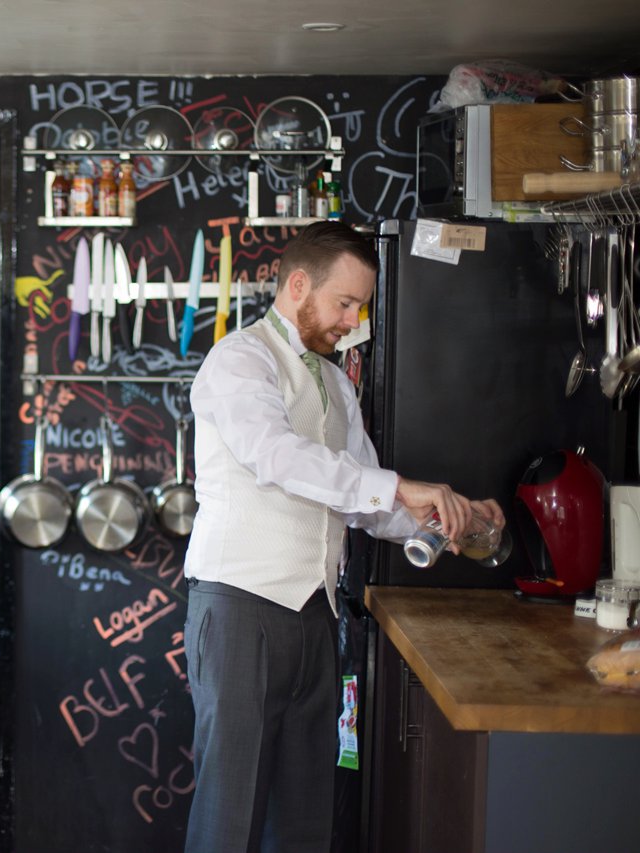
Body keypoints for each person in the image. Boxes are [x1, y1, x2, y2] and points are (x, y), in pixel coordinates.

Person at [181, 221, 503, 853]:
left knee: (305, 817)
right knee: (229, 814)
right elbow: (276, 456)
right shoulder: (239, 360)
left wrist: (447, 522)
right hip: (241, 607)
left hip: (315, 616)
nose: (351, 320)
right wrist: (401, 487)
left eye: (361, 307)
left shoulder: (335, 383)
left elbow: (365, 502)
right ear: (298, 285)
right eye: (344, 304)